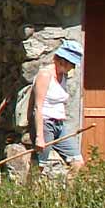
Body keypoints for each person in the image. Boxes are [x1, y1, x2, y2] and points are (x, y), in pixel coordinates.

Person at [30, 41, 84, 171]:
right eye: (72, 64)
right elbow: (38, 107)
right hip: (45, 124)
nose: (73, 68)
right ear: (63, 61)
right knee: (39, 166)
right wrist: (39, 137)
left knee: (77, 162)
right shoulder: (45, 75)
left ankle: (68, 191)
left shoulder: (64, 75)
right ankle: (30, 190)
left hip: (60, 125)